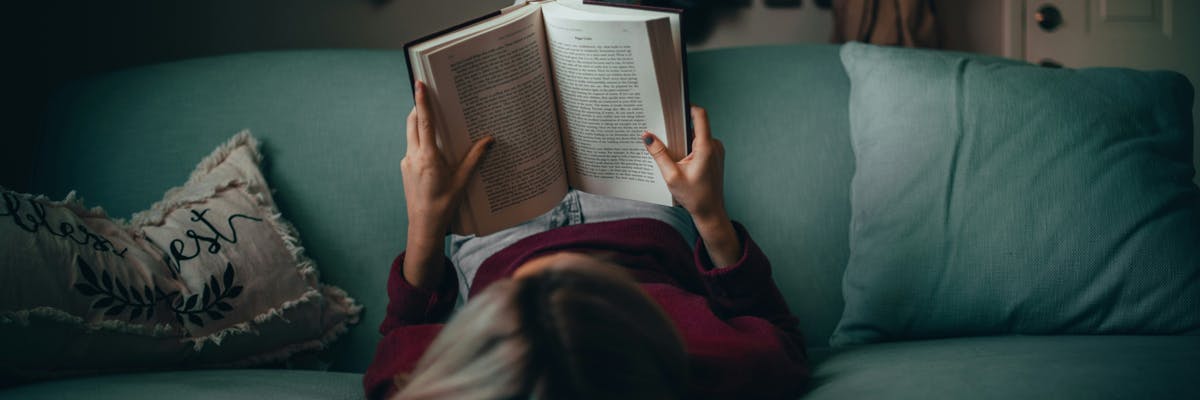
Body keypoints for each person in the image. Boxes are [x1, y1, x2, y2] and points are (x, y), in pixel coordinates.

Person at [363, 81, 809, 400]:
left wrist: (425, 222)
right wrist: (710, 214)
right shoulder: (709, 367)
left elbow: (399, 341)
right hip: (635, 218)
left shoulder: (451, 383)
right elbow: (780, 335)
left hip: (498, 238)